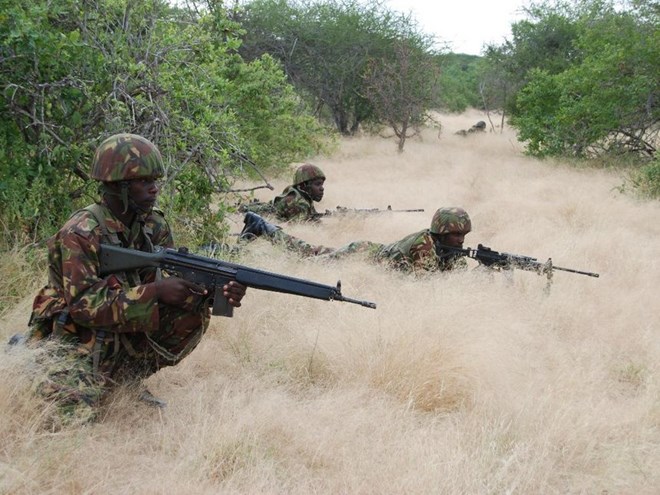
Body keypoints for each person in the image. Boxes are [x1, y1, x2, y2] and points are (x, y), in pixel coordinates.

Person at [25, 133, 247, 422]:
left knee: (190, 314)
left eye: (155, 181)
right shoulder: (80, 231)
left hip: (116, 328)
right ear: (118, 186)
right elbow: (83, 305)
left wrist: (212, 293)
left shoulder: (152, 225)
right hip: (72, 336)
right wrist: (155, 292)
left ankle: (124, 380)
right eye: (144, 182)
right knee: (69, 420)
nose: (154, 189)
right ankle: (33, 356)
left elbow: (172, 285)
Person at [240, 207, 472, 274]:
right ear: (441, 232)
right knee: (304, 263)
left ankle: (263, 227)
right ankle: (253, 239)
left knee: (308, 251)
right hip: (361, 255)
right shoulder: (425, 244)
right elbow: (428, 287)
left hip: (365, 254)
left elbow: (458, 279)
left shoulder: (449, 250)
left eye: (463, 235)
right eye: (456, 234)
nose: (461, 240)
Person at [240, 163, 326, 222]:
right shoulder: (297, 203)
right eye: (317, 184)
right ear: (304, 185)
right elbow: (305, 226)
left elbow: (311, 216)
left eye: (322, 185)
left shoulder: (304, 197)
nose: (322, 189)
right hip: (245, 213)